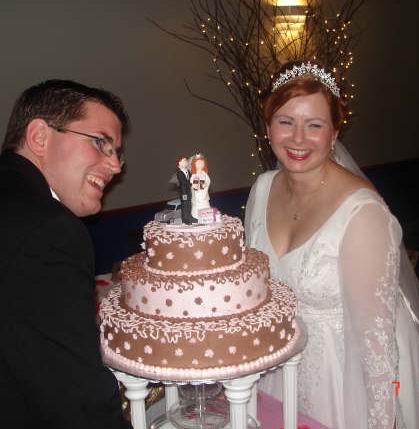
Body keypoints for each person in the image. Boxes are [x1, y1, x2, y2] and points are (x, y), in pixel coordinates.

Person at [245, 61, 419, 429]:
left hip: (344, 384)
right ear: (267, 126)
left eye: (314, 125)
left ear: (334, 132)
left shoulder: (363, 214)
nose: (297, 138)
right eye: (285, 121)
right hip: (277, 371)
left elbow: (378, 352)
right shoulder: (262, 189)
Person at [0, 79, 132, 429]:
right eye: (101, 143)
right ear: (40, 137)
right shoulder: (48, 230)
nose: (116, 166)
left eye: (117, 151)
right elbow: (79, 400)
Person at [176, 156, 197, 224]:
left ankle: (190, 217)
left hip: (189, 191)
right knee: (185, 205)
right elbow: (183, 182)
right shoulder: (179, 173)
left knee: (189, 204)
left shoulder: (188, 171)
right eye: (184, 161)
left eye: (186, 161)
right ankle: (185, 219)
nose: (186, 162)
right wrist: (191, 183)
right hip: (184, 193)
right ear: (179, 163)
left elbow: (191, 178)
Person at [190, 154, 210, 219]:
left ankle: (206, 218)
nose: (200, 164)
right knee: (199, 208)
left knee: (205, 207)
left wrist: (206, 184)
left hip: (204, 195)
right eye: (198, 163)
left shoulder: (205, 174)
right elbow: (195, 186)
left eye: (202, 162)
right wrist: (200, 185)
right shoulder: (195, 175)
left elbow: (208, 181)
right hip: (198, 196)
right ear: (194, 164)